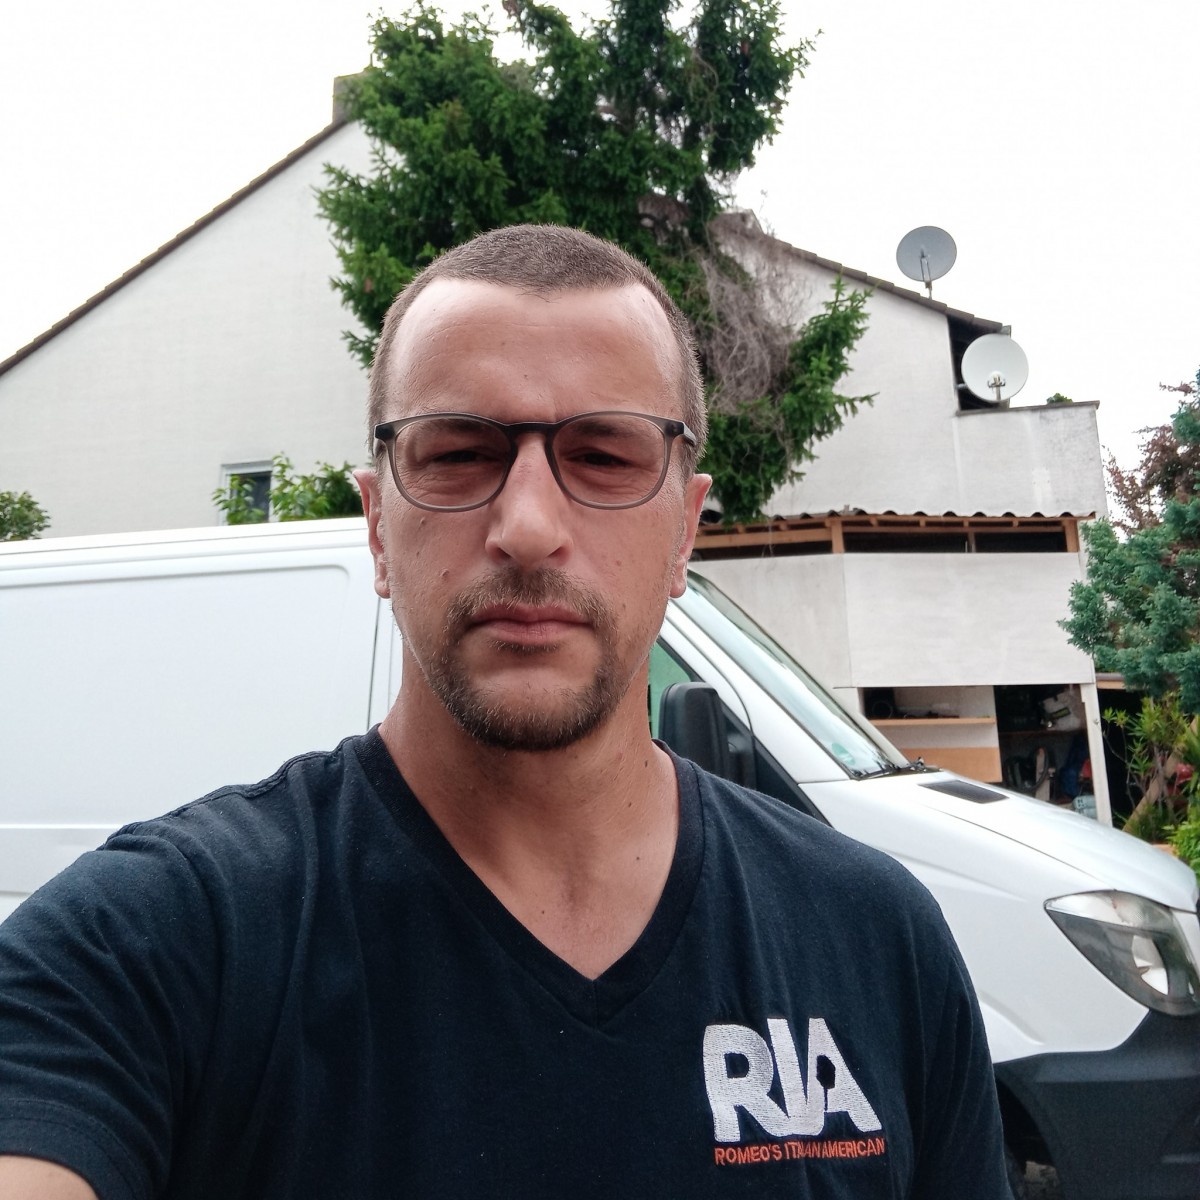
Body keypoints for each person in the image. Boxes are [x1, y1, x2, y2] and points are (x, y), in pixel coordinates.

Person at [0, 224, 1010, 1199]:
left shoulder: (878, 943)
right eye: (457, 455)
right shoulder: (145, 946)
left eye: (605, 456)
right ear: (378, 527)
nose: (527, 528)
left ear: (684, 533)